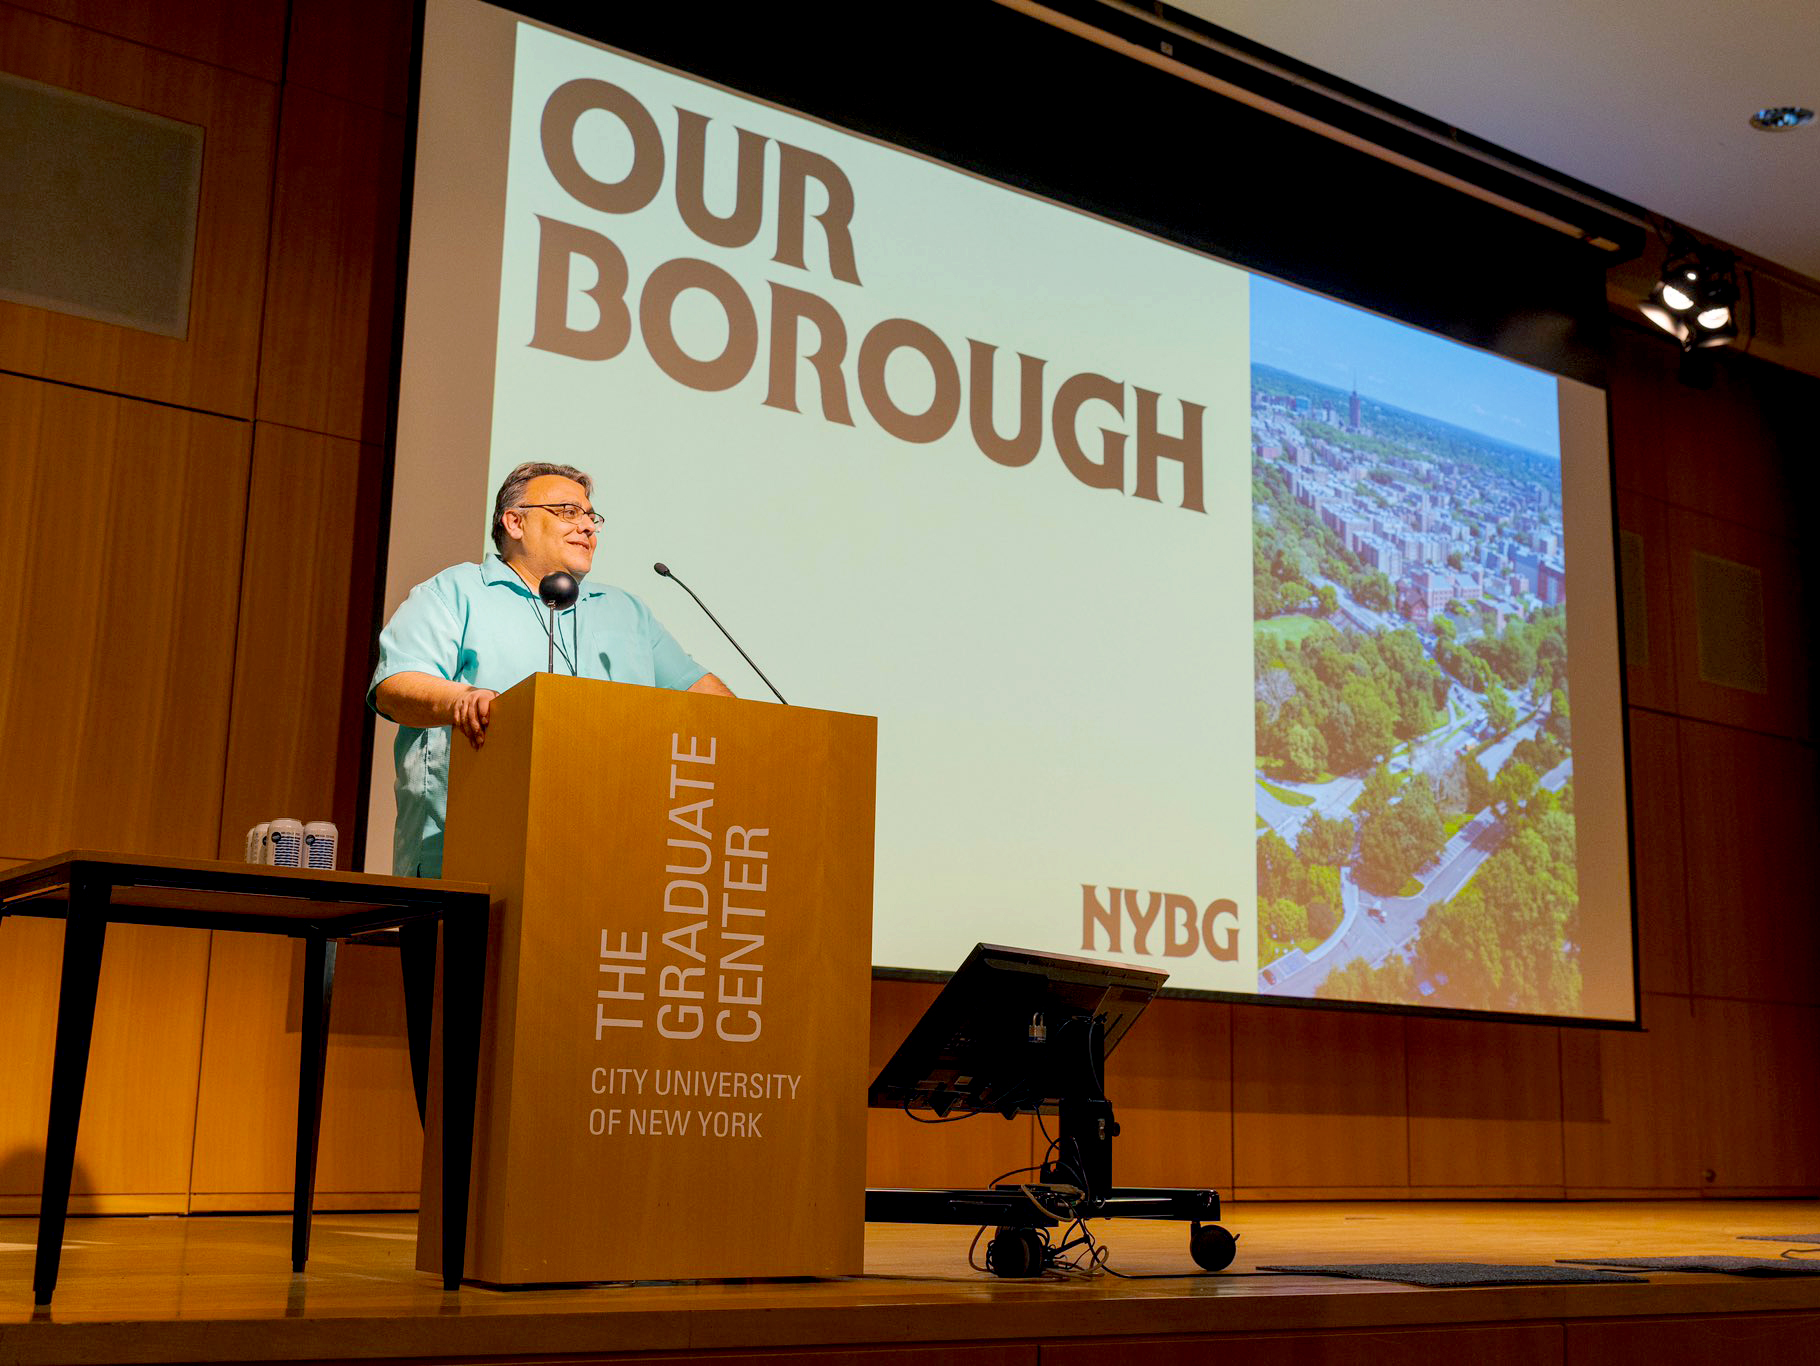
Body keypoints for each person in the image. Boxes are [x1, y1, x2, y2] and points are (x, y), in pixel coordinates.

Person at [370, 461, 733, 877]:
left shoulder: (625, 611)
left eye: (591, 517)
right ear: (514, 522)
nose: (588, 527)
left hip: (614, 861)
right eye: (567, 512)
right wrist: (462, 699)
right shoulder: (454, 592)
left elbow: (706, 697)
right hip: (466, 860)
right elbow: (394, 686)